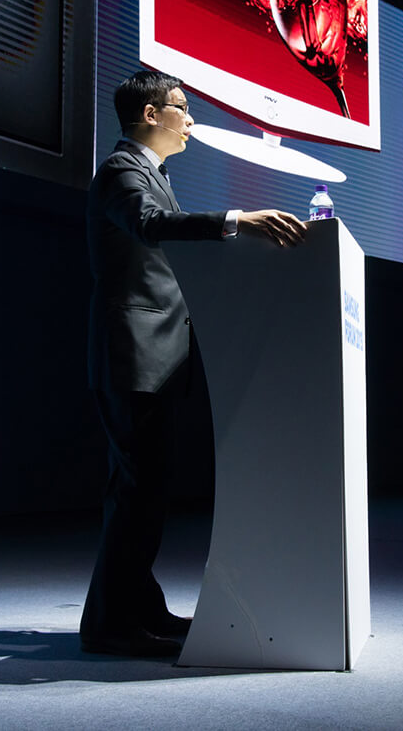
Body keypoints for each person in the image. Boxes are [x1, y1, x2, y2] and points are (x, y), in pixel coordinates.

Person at [80, 70, 306, 657]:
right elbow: (150, 226)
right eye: (181, 107)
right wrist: (237, 220)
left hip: (151, 354)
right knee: (138, 490)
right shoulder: (122, 170)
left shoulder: (151, 173)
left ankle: (133, 608)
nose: (191, 119)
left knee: (142, 490)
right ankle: (110, 625)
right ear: (150, 115)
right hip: (133, 353)